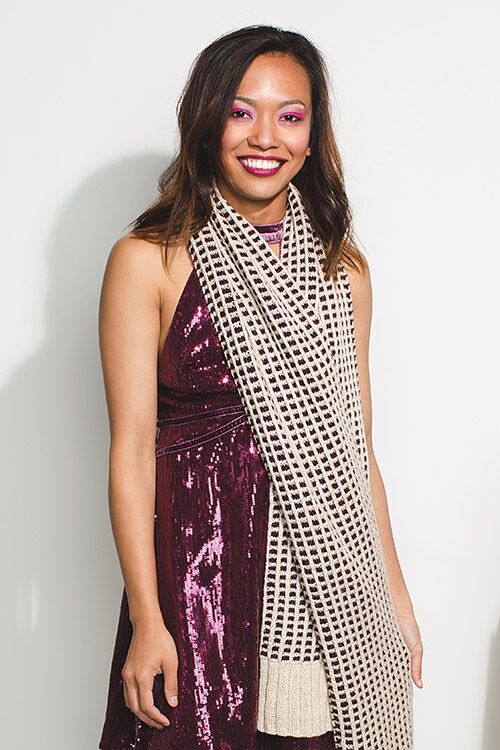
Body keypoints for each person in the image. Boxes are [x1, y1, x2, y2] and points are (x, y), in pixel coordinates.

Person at [97, 24, 423, 750]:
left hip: (333, 584)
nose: (265, 137)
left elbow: (355, 450)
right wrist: (148, 618)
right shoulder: (150, 260)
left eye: (290, 115)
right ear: (207, 121)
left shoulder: (344, 269)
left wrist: (395, 599)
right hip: (202, 569)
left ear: (312, 135)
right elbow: (131, 452)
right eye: (241, 112)